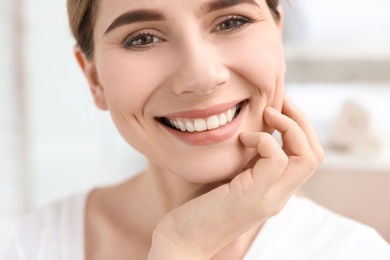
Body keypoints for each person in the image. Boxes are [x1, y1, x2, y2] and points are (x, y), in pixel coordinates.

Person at [6, 0, 390, 259]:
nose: (201, 76)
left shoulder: (352, 252)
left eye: (231, 21)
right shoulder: (35, 243)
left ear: (277, 34)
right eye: (142, 38)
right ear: (94, 79)